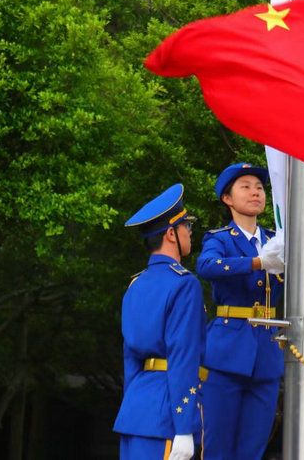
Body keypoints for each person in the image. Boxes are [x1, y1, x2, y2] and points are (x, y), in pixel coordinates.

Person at [196, 163, 286, 460]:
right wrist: (257, 263)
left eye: (259, 187)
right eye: (245, 187)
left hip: (266, 353)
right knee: (218, 447)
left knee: (253, 448)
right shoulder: (220, 238)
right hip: (228, 351)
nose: (255, 193)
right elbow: (206, 266)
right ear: (228, 199)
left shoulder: (276, 240)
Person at [114, 184, 206, 460]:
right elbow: (183, 356)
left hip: (136, 411)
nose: (190, 232)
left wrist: (134, 405)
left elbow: (130, 358)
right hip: (168, 415)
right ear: (170, 234)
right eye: (186, 226)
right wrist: (184, 427)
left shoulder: (135, 285)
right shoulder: (185, 284)